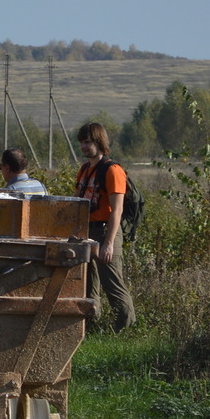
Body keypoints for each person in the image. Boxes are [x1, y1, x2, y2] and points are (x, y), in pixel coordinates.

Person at [75, 122, 136, 331]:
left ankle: (126, 330)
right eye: (82, 142)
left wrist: (108, 244)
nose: (84, 147)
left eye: (88, 142)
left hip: (104, 231)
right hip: (86, 232)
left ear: (99, 141)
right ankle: (91, 329)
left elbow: (116, 211)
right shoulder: (84, 169)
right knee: (88, 285)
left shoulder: (113, 170)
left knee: (112, 285)